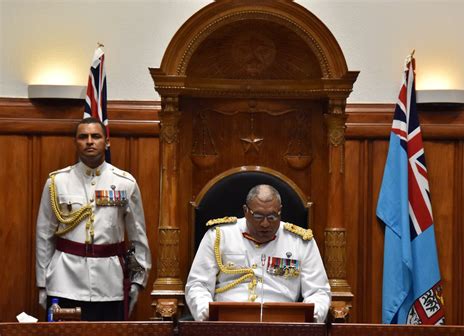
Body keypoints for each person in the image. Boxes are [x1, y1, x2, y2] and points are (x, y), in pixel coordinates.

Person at [36, 117, 151, 321]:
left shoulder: (125, 183)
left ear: (107, 142)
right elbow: (44, 236)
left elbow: (137, 237)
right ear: (75, 142)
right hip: (65, 281)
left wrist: (138, 282)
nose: (89, 141)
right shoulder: (57, 182)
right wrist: (43, 284)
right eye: (83, 137)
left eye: (95, 136)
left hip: (110, 283)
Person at [185, 184, 331, 322]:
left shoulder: (300, 241)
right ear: (245, 211)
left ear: (280, 211)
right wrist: (206, 312)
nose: (265, 224)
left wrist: (312, 316)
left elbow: (318, 291)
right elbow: (198, 284)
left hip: (281, 322)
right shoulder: (219, 236)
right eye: (258, 217)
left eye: (272, 217)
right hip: (227, 320)